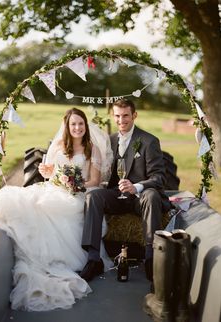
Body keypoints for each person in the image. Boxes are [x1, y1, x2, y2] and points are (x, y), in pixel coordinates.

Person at [0, 108, 113, 312]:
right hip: (54, 188)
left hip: (79, 194)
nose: (77, 127)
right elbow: (49, 173)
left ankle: (57, 259)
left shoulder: (92, 149)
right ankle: (33, 250)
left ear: (85, 126)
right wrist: (49, 172)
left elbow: (95, 181)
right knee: (31, 201)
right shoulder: (59, 145)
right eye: (73, 124)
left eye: (81, 124)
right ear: (67, 126)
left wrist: (75, 185)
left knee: (56, 207)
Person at [80, 99, 171, 282]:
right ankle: (93, 259)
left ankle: (151, 258)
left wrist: (136, 186)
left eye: (126, 116)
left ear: (134, 115)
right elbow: (105, 174)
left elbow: (159, 178)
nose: (121, 120)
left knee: (152, 195)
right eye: (117, 116)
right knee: (93, 196)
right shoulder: (110, 141)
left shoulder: (149, 141)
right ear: (113, 117)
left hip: (140, 197)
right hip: (117, 195)